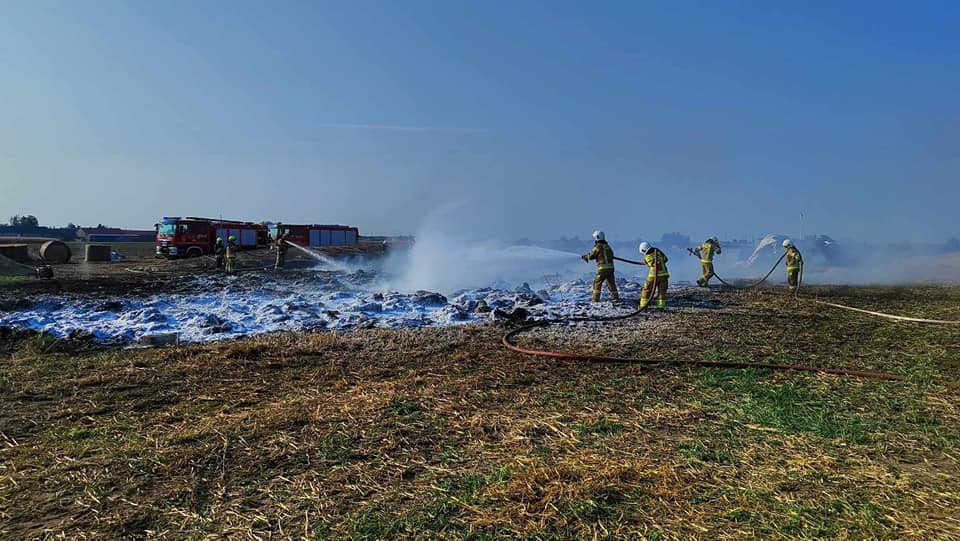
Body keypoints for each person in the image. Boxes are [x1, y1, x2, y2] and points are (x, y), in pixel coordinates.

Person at [581, 230, 620, 302]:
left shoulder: (598, 246)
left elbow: (592, 255)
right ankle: (615, 298)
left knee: (597, 283)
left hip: (602, 269)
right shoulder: (608, 246)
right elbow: (611, 255)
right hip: (611, 269)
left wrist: (586, 257)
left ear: (597, 237)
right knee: (611, 283)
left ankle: (595, 299)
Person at [638, 241, 669, 309]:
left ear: (644, 250)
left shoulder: (647, 256)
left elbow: (650, 264)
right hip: (664, 275)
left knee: (646, 290)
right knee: (662, 291)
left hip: (653, 276)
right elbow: (666, 259)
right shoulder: (658, 252)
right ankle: (661, 307)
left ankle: (643, 306)